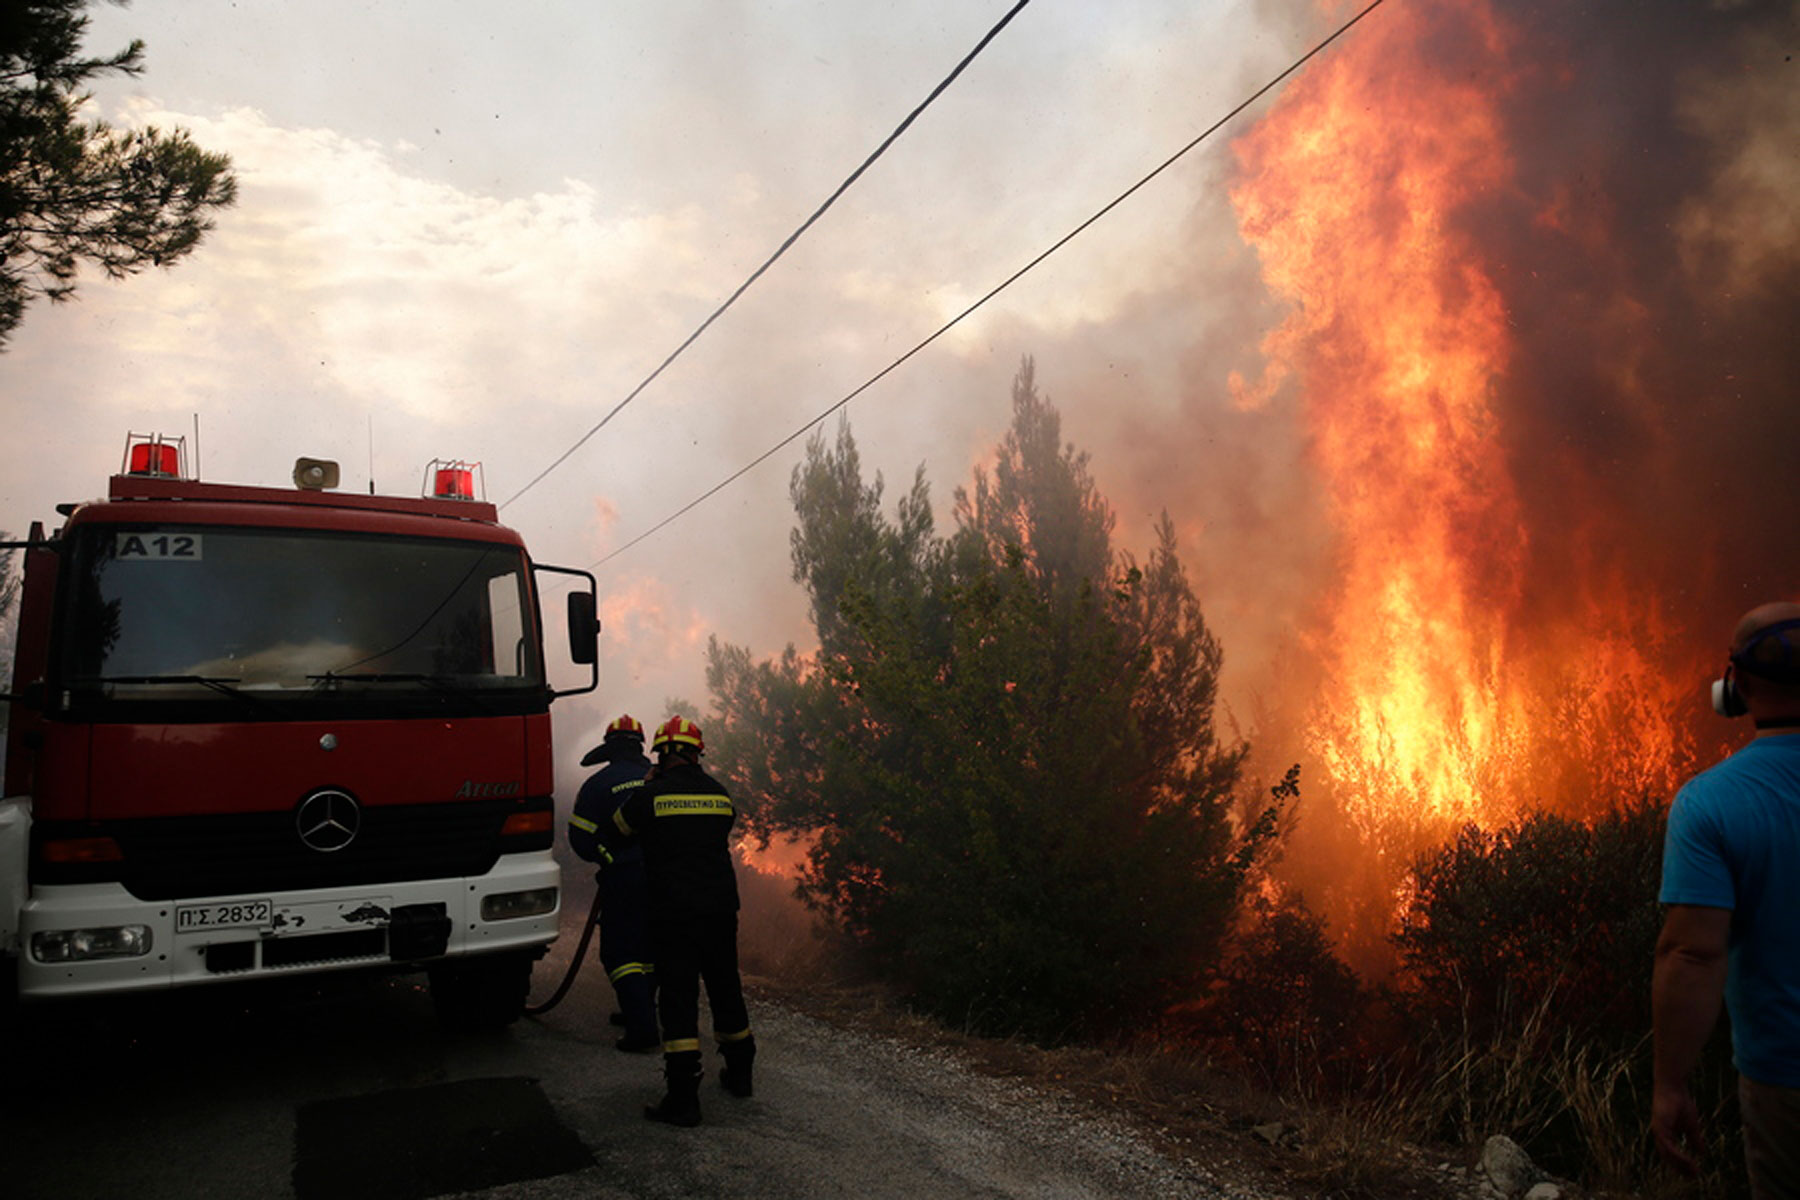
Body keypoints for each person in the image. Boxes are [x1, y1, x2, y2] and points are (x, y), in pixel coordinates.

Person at [1653, 601, 1800, 1197]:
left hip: (1785, 1081)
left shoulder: (1710, 803)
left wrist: (1669, 1084)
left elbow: (1693, 956)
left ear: (1733, 685)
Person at [600, 715, 754, 1127]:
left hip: (674, 913)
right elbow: (722, 826)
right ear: (696, 754)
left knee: (679, 999)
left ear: (663, 754)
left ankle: (684, 1100)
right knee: (726, 989)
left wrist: (648, 788)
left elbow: (616, 831)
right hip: (721, 910)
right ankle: (740, 1076)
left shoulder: (652, 796)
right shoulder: (720, 796)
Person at [567, 714, 659, 1052]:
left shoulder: (597, 784)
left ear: (609, 748)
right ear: (640, 746)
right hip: (664, 878)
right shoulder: (658, 779)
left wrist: (607, 857)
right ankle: (641, 1008)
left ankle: (642, 1027)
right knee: (649, 949)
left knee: (620, 953)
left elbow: (579, 837)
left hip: (623, 879)